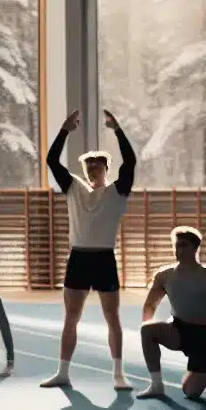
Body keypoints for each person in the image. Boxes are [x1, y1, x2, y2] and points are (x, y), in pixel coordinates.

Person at [42, 109, 136, 390]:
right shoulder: (73, 188)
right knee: (71, 317)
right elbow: (50, 160)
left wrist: (118, 130)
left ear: (107, 168)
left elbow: (130, 161)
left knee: (112, 317)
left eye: (97, 164)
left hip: (104, 258)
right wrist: (64, 130)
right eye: (89, 165)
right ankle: (63, 372)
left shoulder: (118, 191)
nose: (92, 168)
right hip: (79, 258)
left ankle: (118, 374)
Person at [136, 227, 206, 400]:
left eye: (183, 245)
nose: (178, 250)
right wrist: (147, 332)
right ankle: (156, 385)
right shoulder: (164, 276)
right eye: (176, 246)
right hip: (178, 328)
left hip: (204, 335)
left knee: (190, 393)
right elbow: (150, 305)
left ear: (195, 248)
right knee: (147, 330)